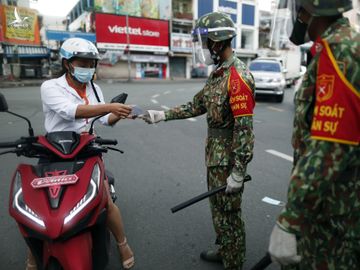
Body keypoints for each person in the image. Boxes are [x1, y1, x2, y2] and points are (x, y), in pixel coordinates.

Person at [141, 12, 255, 270]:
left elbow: (244, 130)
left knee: (229, 213)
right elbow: (196, 105)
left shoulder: (237, 78)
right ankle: (225, 248)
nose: (204, 48)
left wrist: (238, 171)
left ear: (217, 42)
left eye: (205, 42)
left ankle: (234, 262)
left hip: (227, 159)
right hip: (215, 157)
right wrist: (162, 115)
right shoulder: (218, 75)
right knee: (218, 209)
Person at [26, 38, 135, 270]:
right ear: (67, 63)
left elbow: (104, 119)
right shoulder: (51, 87)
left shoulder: (95, 88)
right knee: (38, 204)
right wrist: (108, 107)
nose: (88, 68)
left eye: (91, 63)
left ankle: (122, 243)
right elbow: (69, 111)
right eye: (83, 63)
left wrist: (121, 113)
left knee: (104, 199)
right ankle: (33, 254)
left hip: (86, 148)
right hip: (54, 150)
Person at [268, 0, 360, 269]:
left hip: (336, 214)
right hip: (329, 205)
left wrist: (291, 218)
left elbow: (328, 148)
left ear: (313, 11)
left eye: (299, 9)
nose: (297, 17)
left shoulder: (340, 50)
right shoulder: (335, 46)